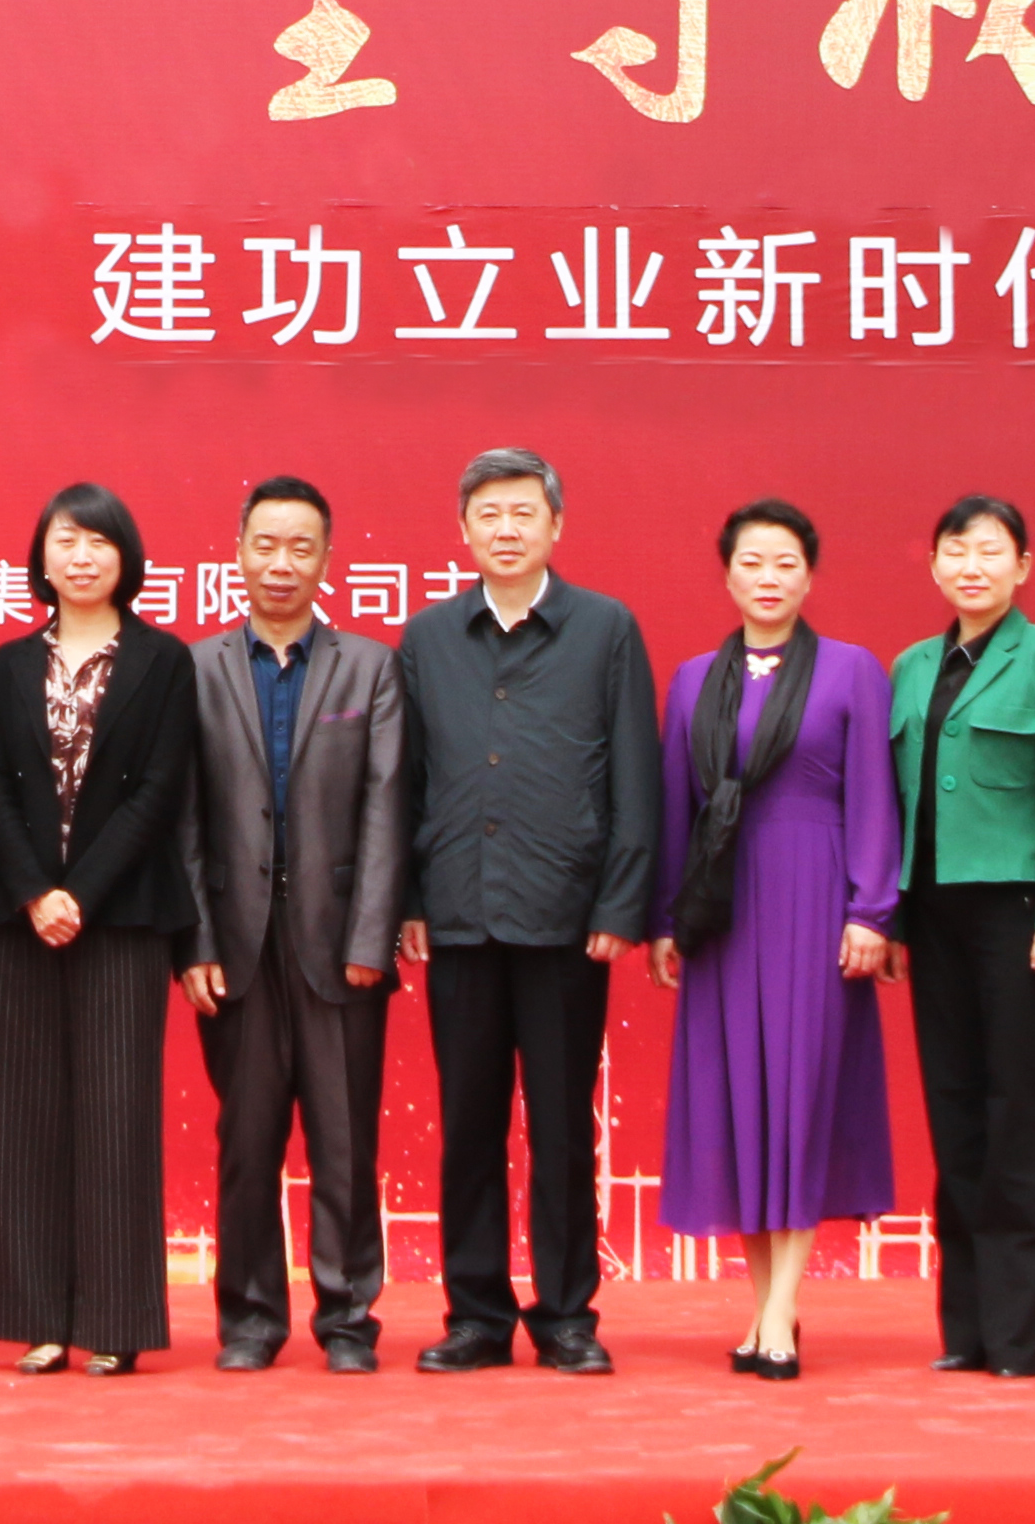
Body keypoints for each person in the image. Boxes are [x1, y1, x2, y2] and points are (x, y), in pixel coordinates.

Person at [394, 447, 656, 1377]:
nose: (506, 530)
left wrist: (620, 900)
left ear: (556, 526)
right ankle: (475, 1315)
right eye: (489, 515)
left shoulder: (605, 629)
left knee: (561, 1126)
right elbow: (406, 780)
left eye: (522, 514)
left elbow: (635, 776)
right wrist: (410, 899)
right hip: (460, 913)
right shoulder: (428, 637)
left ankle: (567, 1316)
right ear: (462, 530)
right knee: (468, 1124)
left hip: (565, 917)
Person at [643, 500, 896, 1385]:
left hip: (816, 899)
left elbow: (874, 798)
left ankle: (783, 1310)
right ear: (727, 575)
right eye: (752, 562)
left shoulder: (853, 670)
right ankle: (764, 1310)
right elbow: (674, 808)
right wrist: (666, 921)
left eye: (786, 563)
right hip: (723, 913)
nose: (768, 578)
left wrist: (871, 911)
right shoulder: (691, 681)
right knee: (741, 1107)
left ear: (809, 575)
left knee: (801, 1098)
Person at [0, 483, 200, 1376]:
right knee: (25, 1117)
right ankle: (37, 1318)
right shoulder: (5, 665)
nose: (82, 556)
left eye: (99, 541)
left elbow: (160, 792)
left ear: (125, 557)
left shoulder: (162, 660)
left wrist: (82, 892)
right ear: (41, 556)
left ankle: (112, 1320)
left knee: (115, 1115)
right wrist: (36, 893)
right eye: (66, 540)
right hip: (22, 920)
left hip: (124, 917)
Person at [180, 476, 406, 1375]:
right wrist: (194, 942)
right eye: (265, 544)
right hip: (234, 946)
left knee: (345, 1143)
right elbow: (183, 821)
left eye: (300, 547)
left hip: (338, 944)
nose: (281, 563)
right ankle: (249, 1319)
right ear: (238, 553)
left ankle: (347, 1319)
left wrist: (371, 937)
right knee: (246, 1142)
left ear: (326, 559)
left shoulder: (369, 668)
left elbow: (387, 806)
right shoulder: (195, 668)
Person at [884, 494, 1035, 1377]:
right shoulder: (910, 665)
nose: (972, 566)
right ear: (935, 565)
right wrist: (893, 917)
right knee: (955, 1111)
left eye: (991, 550)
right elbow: (897, 802)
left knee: (1017, 1114)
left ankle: (1015, 1334)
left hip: (1016, 916)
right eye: (956, 551)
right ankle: (964, 1329)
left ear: (1023, 566)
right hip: (933, 915)